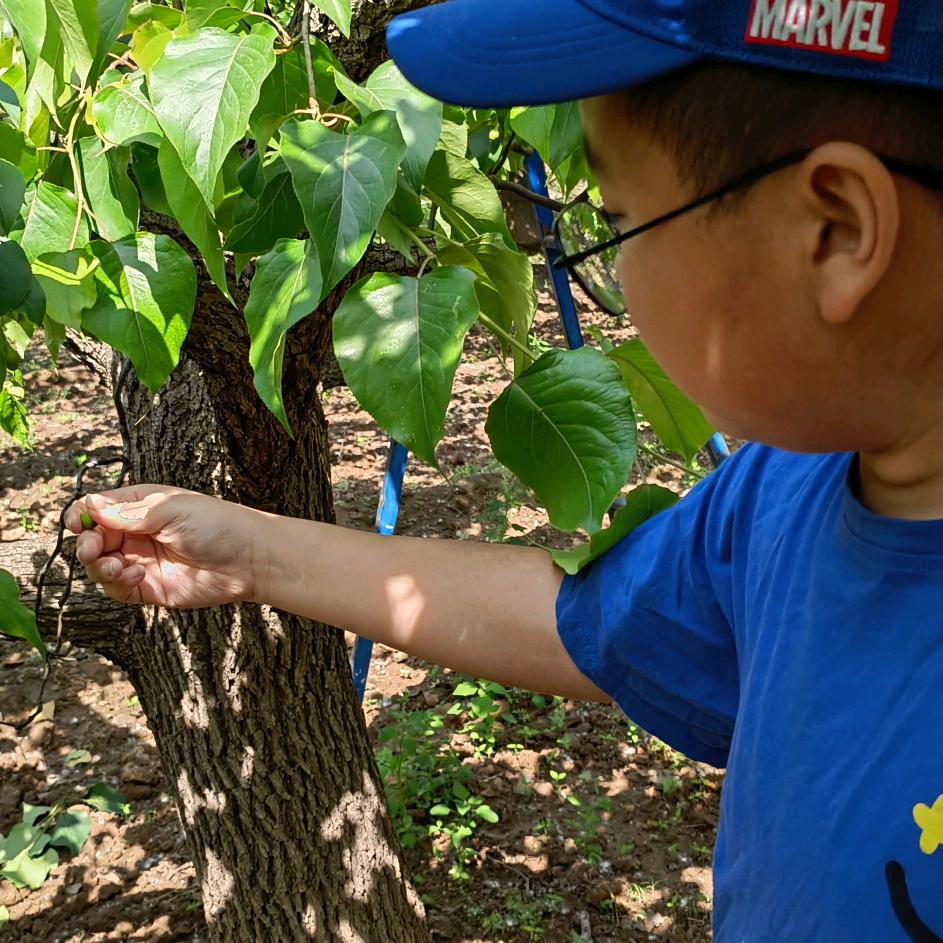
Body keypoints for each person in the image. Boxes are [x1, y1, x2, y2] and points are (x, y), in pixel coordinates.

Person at [66, 1, 943, 939]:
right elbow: (583, 625)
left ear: (835, 231)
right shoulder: (786, 490)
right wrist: (250, 552)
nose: (614, 261)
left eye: (617, 218)